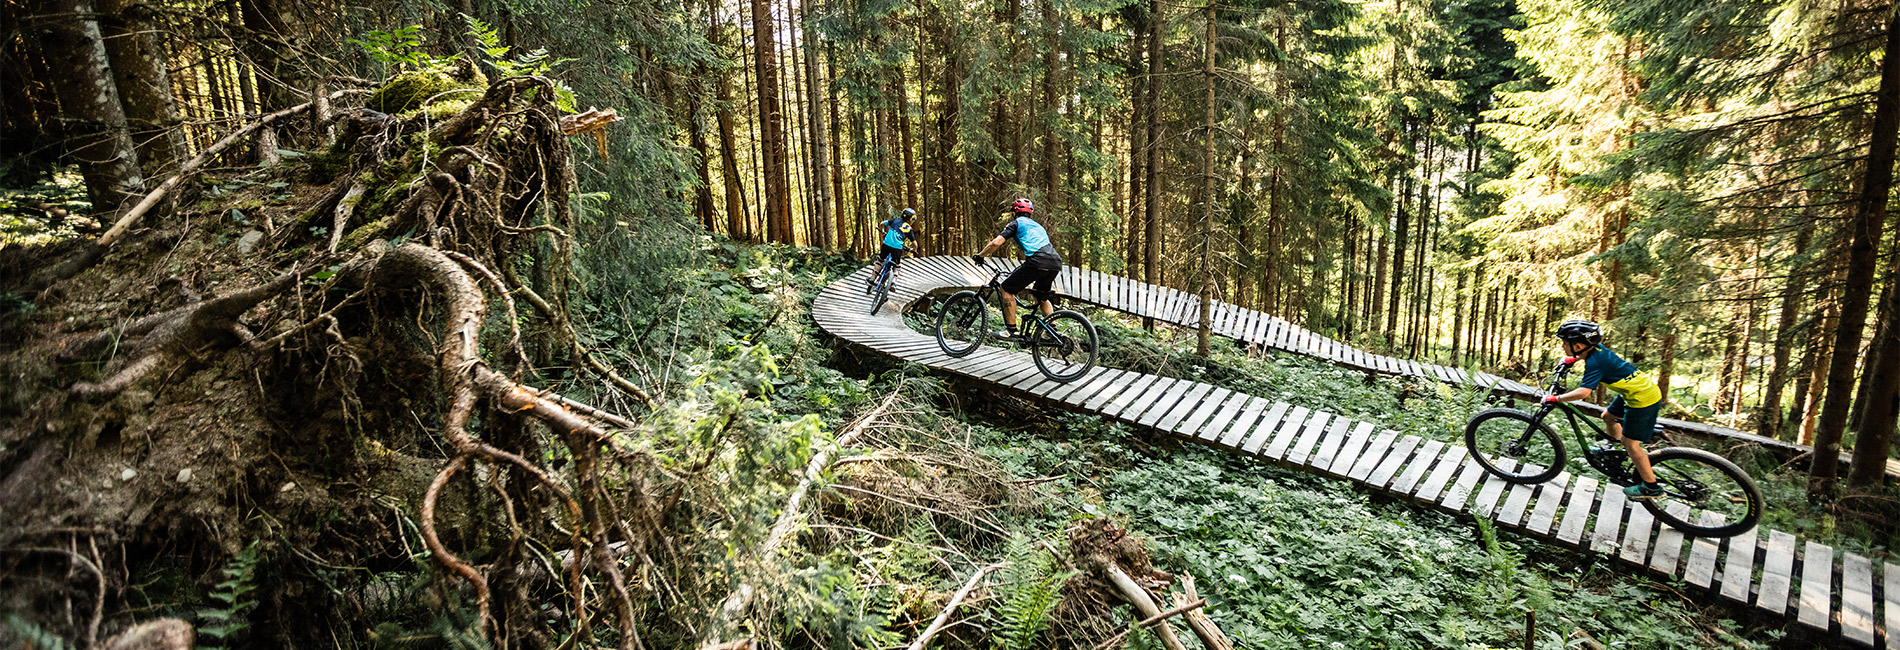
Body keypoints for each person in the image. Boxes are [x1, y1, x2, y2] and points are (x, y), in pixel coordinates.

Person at [1541, 319, 1666, 498]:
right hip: (1636, 391)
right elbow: (1589, 359)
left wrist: (1557, 398)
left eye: (1565, 343)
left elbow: (1584, 393)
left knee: (1631, 444)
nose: (1562, 347)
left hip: (1643, 399)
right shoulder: (1596, 351)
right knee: (1608, 416)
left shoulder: (1595, 362)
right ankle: (1615, 453)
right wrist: (1571, 360)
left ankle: (1651, 487)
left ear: (1578, 345)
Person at [972, 198, 1062, 342]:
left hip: (1037, 260)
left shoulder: (1016, 223)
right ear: (1030, 214)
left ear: (1014, 213)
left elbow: (996, 243)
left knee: (1006, 289)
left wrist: (980, 256)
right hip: (1055, 261)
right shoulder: (1039, 226)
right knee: (1041, 296)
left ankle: (1011, 331)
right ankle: (1052, 331)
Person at [870, 208, 917, 291]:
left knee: (880, 260)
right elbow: (915, 244)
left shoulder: (895, 221)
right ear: (910, 219)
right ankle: (893, 283)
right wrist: (914, 249)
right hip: (897, 248)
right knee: (896, 266)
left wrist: (883, 230)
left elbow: (882, 223)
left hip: (886, 244)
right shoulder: (909, 229)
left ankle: (873, 278)